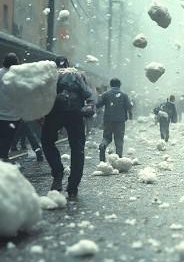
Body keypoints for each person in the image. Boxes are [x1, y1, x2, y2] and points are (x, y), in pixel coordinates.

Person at [41, 56, 93, 200]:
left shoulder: (51, 75)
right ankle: (73, 186)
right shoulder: (77, 74)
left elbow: (43, 95)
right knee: (78, 149)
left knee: (47, 141)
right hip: (75, 114)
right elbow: (88, 94)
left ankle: (57, 172)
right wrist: (89, 106)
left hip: (54, 114)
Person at [96, 78, 133, 161]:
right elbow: (129, 107)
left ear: (110, 85)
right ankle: (119, 159)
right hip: (120, 120)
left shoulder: (106, 94)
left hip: (108, 119)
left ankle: (102, 146)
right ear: (120, 85)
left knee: (106, 137)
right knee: (119, 139)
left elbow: (98, 105)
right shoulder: (124, 95)